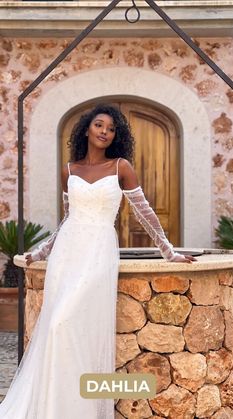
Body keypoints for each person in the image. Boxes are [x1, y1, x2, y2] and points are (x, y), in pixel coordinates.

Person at [0, 104, 196, 419]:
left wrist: (167, 250)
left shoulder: (121, 167)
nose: (104, 131)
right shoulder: (69, 170)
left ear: (115, 135)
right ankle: (54, 406)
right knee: (56, 327)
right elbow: (67, 218)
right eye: (99, 125)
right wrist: (41, 252)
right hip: (68, 252)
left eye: (111, 128)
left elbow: (145, 213)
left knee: (68, 323)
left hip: (98, 251)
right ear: (87, 130)